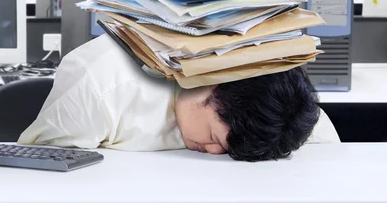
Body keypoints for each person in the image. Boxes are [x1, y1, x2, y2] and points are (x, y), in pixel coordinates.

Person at [17, 33, 340, 162]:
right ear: (210, 83)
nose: (214, 151)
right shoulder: (101, 84)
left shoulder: (281, 107)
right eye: (215, 137)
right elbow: (47, 177)